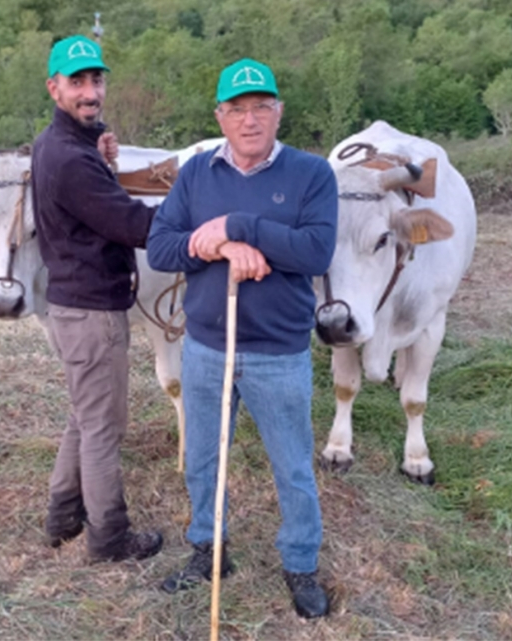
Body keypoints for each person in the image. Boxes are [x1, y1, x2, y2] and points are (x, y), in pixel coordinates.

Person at [146, 58, 338, 618]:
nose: (249, 120)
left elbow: (314, 252)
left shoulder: (311, 174)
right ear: (220, 117)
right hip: (206, 346)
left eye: (260, 108)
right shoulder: (197, 173)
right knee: (205, 458)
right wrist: (217, 247)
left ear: (278, 112)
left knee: (293, 466)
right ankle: (209, 549)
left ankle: (300, 563)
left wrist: (239, 227)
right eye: (236, 110)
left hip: (279, 351)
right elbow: (161, 248)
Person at [30, 34, 163, 562]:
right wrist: (201, 217)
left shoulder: (56, 145)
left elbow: (91, 180)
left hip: (72, 305)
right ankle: (109, 539)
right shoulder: (70, 159)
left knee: (84, 418)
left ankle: (62, 517)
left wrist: (101, 145)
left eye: (96, 80)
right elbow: (130, 222)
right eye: (77, 82)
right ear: (53, 88)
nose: (90, 92)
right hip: (92, 314)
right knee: (105, 429)